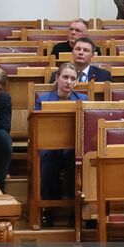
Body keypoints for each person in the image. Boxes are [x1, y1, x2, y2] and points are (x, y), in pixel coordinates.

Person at [35, 63, 88, 227]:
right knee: (50, 157)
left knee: (73, 157)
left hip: (73, 146)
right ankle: (48, 210)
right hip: (49, 145)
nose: (68, 82)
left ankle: (76, 210)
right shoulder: (43, 99)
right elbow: (37, 126)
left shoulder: (82, 100)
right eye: (65, 77)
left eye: (73, 78)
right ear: (57, 78)